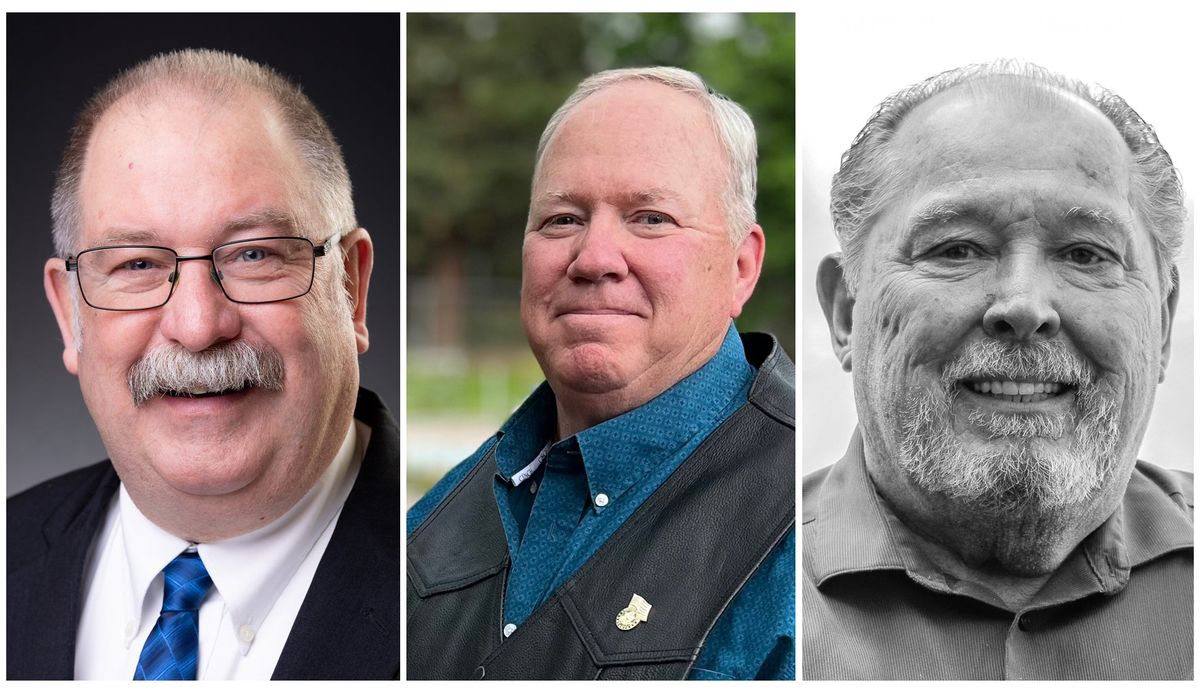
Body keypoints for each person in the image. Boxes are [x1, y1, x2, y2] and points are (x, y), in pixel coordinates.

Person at [7, 49, 399, 680]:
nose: (196, 327)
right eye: (137, 264)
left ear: (351, 286)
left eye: (253, 255)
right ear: (68, 314)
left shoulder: (445, 565)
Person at [805, 60, 1192, 680]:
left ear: (1164, 325)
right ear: (846, 312)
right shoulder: (735, 575)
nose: (1025, 306)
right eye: (957, 248)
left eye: (1086, 255)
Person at [407, 67, 795, 680]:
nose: (593, 259)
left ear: (741, 267)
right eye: (563, 219)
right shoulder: (428, 526)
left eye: (650, 218)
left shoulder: (802, 533)